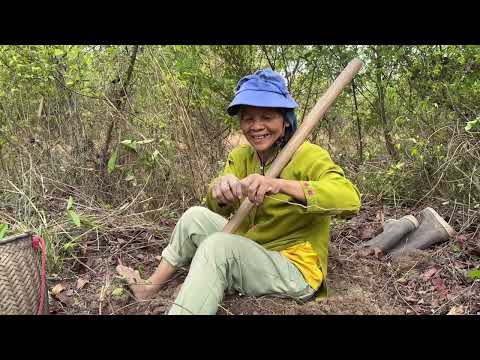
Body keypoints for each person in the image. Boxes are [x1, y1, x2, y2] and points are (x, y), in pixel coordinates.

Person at [116, 69, 361, 315]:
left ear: (285, 119)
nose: (256, 127)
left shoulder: (309, 155)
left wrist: (279, 185)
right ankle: (150, 287)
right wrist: (220, 190)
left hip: (294, 267)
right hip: (252, 248)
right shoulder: (240, 156)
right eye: (248, 118)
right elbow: (213, 203)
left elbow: (349, 199)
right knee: (194, 217)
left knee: (217, 247)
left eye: (266, 116)